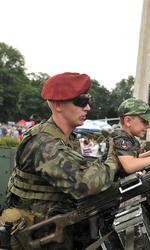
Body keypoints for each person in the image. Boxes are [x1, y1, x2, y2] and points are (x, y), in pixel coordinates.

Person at [4, 72, 118, 249]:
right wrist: (113, 160)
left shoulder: (67, 139)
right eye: (80, 102)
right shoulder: (42, 143)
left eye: (88, 102)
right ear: (58, 105)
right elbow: (86, 183)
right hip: (34, 237)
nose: (87, 108)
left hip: (52, 232)